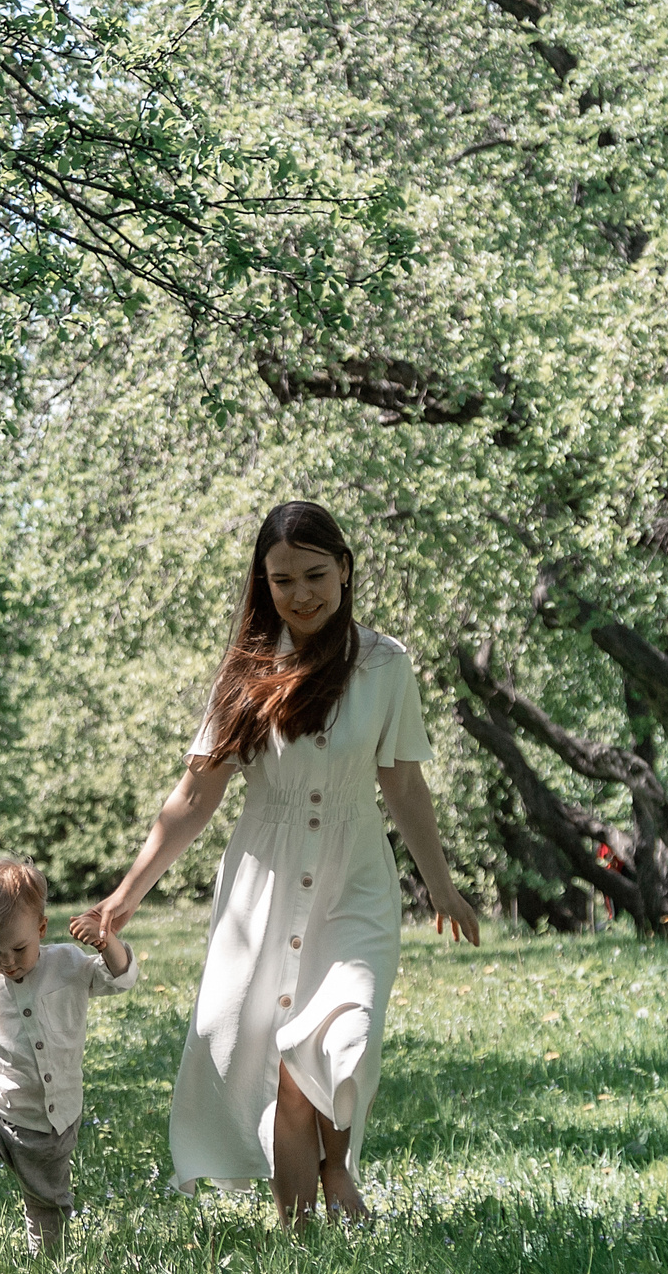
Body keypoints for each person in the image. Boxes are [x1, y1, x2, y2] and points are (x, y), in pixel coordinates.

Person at [73, 501, 480, 1225]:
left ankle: (337, 1164)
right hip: (263, 882)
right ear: (263, 583)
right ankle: (300, 1235)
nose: (301, 594)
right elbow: (196, 794)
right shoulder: (248, 670)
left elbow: (403, 782)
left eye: (315, 575)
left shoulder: (385, 664)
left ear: (345, 569)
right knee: (271, 1058)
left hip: (354, 880)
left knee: (345, 1029)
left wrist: (442, 886)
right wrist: (125, 895)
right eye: (282, 580)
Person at [0, 857, 137, 1255]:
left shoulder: (67, 964)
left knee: (48, 1205)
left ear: (41, 929)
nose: (7, 961)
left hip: (51, 1119)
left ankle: (48, 1268)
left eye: (18, 948)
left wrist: (106, 941)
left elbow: (121, 978)